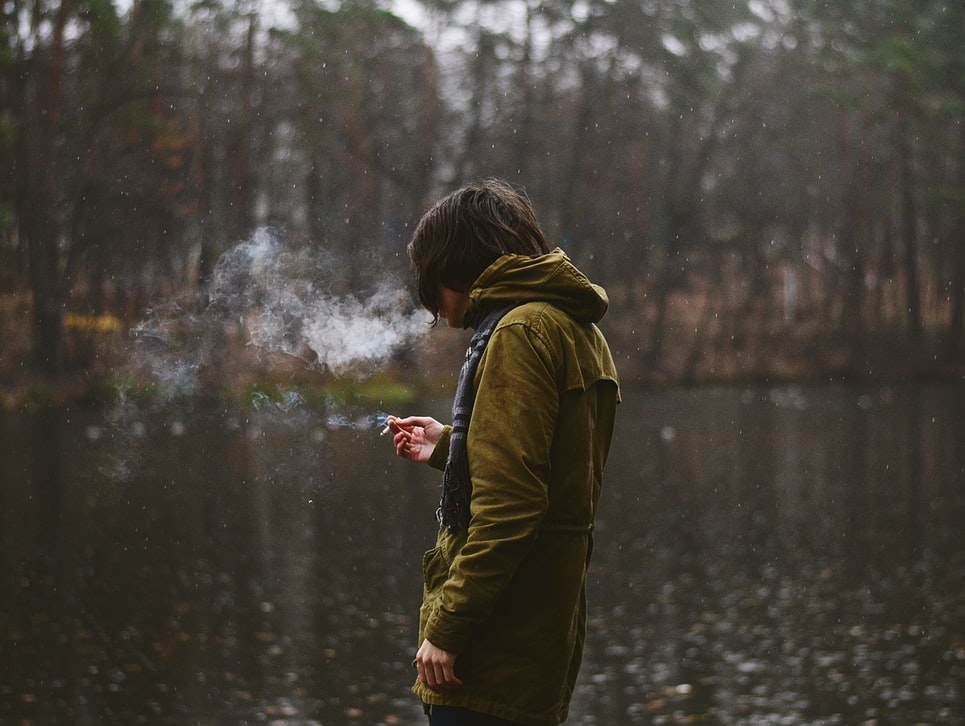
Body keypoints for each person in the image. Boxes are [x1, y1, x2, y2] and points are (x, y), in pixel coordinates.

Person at [387, 178, 619, 726]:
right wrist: (450, 446)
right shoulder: (577, 330)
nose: (436, 309)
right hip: (541, 639)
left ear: (452, 265)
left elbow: (511, 509)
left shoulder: (518, 332)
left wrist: (447, 628)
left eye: (431, 284)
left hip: (490, 654)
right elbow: (556, 473)